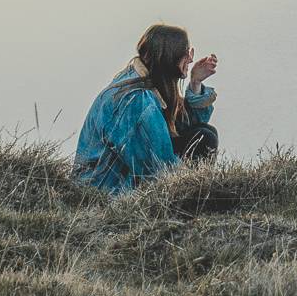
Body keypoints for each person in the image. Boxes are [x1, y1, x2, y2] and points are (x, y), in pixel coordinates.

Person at [73, 22, 220, 193]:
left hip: (112, 182)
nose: (191, 58)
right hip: (105, 193)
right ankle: (196, 201)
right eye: (186, 51)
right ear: (170, 56)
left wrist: (195, 82)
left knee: (204, 133)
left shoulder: (145, 84)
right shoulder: (136, 100)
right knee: (203, 138)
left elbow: (188, 123)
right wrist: (189, 184)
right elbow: (158, 169)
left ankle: (199, 196)